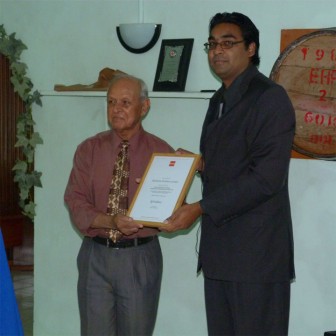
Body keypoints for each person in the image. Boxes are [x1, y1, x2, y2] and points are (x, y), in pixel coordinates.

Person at [160, 12, 296, 335]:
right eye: (212, 44)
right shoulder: (219, 99)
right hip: (220, 255)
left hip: (256, 259)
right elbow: (231, 161)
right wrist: (197, 163)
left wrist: (200, 208)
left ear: (250, 48)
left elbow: (266, 178)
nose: (217, 51)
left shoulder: (269, 98)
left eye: (228, 43)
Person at [64, 73, 173, 336]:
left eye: (125, 102)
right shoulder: (89, 149)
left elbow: (174, 205)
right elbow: (75, 200)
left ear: (144, 107)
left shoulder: (163, 153)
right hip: (95, 255)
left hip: (139, 258)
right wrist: (111, 221)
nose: (116, 109)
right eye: (111, 102)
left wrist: (175, 212)